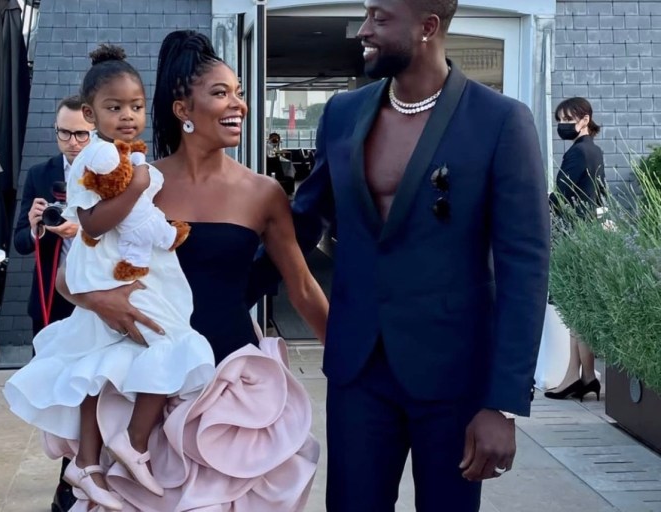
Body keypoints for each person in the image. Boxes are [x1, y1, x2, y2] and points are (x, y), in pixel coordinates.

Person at [247, 1, 550, 510]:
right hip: (360, 369)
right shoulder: (343, 115)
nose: (363, 30)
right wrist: (219, 290)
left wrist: (504, 402)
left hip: (454, 377)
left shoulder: (500, 122)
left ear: (427, 27)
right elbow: (303, 221)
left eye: (380, 18)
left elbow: (526, 266)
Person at [52, 32, 328, 510]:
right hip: (143, 386)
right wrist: (100, 300)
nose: (238, 104)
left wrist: (353, 360)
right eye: (222, 93)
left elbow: (303, 288)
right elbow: (69, 276)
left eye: (239, 92)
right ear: (183, 109)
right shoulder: (138, 182)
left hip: (230, 391)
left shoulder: (262, 193)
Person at [5, 45, 220, 509]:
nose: (128, 115)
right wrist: (140, 186)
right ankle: (129, 445)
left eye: (136, 107)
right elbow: (95, 225)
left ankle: (90, 462)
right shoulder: (107, 158)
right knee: (166, 344)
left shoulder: (124, 155)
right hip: (112, 274)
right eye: (115, 107)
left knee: (96, 367)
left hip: (123, 271)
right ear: (91, 113)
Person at [12, 94, 93, 512]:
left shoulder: (109, 173)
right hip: (52, 303)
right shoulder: (41, 175)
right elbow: (20, 244)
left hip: (97, 303)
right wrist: (35, 227)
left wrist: (86, 232)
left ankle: (77, 481)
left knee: (93, 398)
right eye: (65, 133)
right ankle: (67, 480)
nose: (74, 142)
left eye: (81, 133)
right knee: (60, 400)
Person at [545, 97, 605, 402]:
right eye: (559, 119)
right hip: (590, 236)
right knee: (580, 309)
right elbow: (602, 199)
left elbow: (559, 198)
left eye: (567, 119)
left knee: (576, 309)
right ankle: (581, 376)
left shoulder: (577, 154)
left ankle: (582, 376)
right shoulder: (595, 151)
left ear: (585, 119)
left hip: (573, 237)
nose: (561, 125)